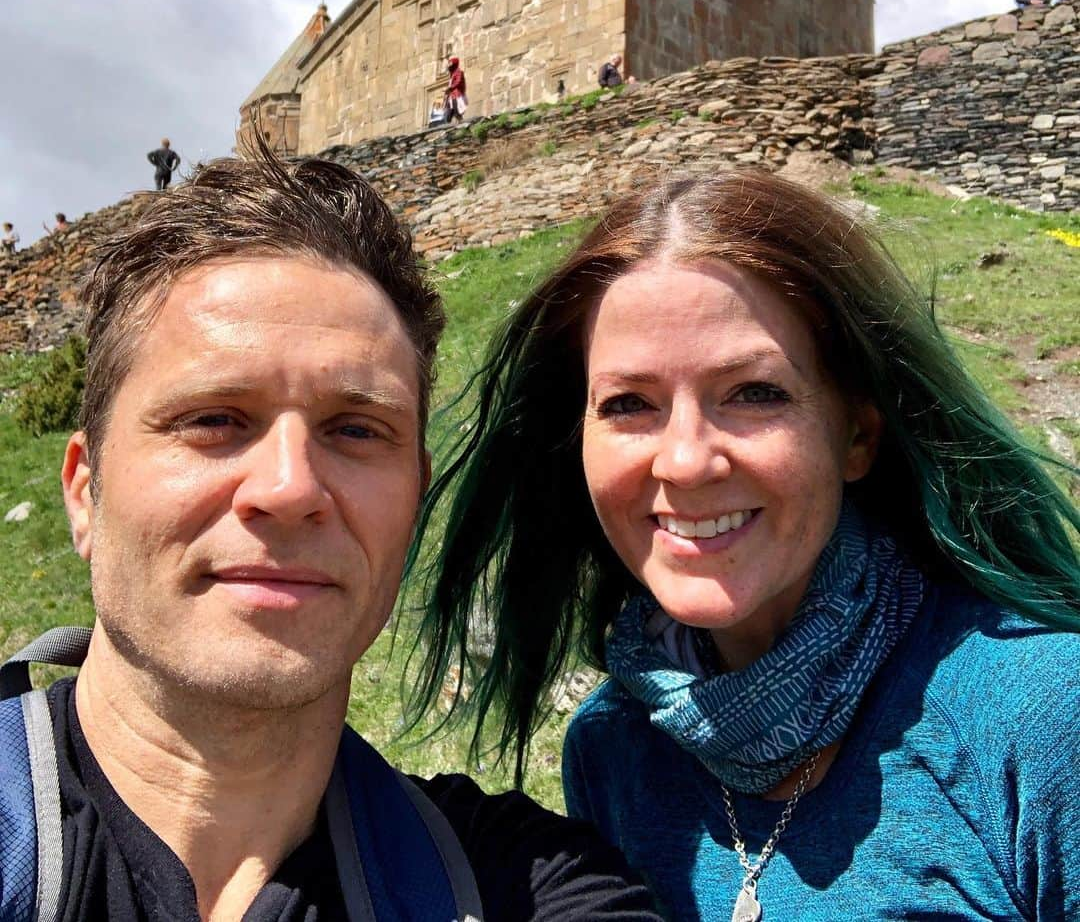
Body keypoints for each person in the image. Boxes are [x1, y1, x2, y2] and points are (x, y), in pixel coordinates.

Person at [0, 149, 665, 922]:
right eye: (214, 419)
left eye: (355, 429)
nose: (289, 489)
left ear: (414, 498)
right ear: (85, 490)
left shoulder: (522, 887)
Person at [413, 170, 1080, 920]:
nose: (687, 460)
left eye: (754, 392)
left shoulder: (1043, 715)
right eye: (630, 404)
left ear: (856, 434)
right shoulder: (613, 752)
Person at [445, 56, 468, 122]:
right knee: (448, 115)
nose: (449, 65)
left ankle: (462, 125)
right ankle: (448, 128)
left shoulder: (459, 72)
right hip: (451, 96)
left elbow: (458, 81)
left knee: (457, 112)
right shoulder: (452, 74)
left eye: (450, 63)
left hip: (456, 95)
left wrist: (450, 88)